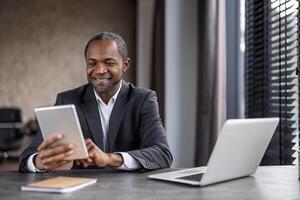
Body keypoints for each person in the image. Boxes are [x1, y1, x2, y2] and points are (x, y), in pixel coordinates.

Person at [19, 32, 172, 172]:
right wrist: (40, 162)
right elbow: (27, 158)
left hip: (132, 190)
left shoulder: (143, 99)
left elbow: (163, 155)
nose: (99, 70)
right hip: (83, 190)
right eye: (92, 63)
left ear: (125, 65)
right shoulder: (67, 100)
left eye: (109, 63)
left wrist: (109, 159)